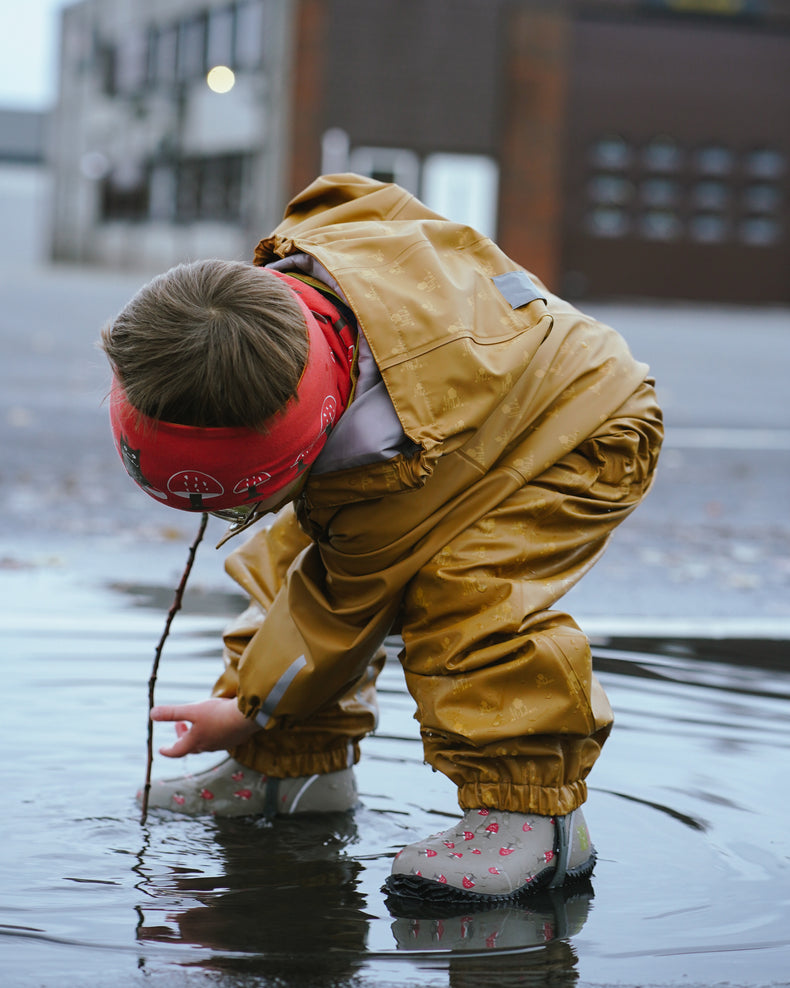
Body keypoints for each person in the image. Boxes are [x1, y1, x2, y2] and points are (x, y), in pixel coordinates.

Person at [101, 173, 663, 906]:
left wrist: (244, 709)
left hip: (582, 423)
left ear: (299, 442)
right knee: (285, 558)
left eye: (244, 499)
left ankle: (535, 822)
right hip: (474, 389)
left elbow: (341, 615)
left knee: (466, 598)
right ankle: (292, 770)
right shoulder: (301, 272)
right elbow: (361, 198)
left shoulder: (376, 462)